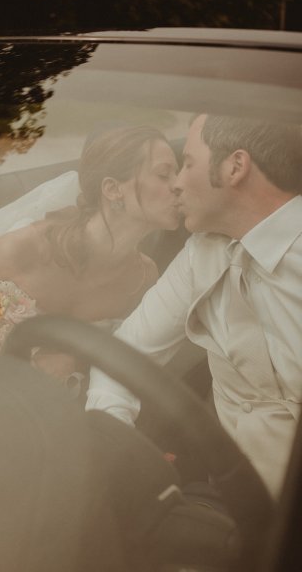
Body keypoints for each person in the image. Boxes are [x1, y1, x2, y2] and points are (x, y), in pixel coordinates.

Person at [86, 113, 302, 499]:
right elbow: (122, 354)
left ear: (235, 167)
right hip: (234, 498)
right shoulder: (201, 252)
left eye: (186, 164)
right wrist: (113, 447)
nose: (177, 185)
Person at [0, 125, 180, 382]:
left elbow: (119, 364)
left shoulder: (143, 278)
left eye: (178, 174)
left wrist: (75, 361)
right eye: (164, 175)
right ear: (112, 189)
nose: (179, 186)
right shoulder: (22, 249)